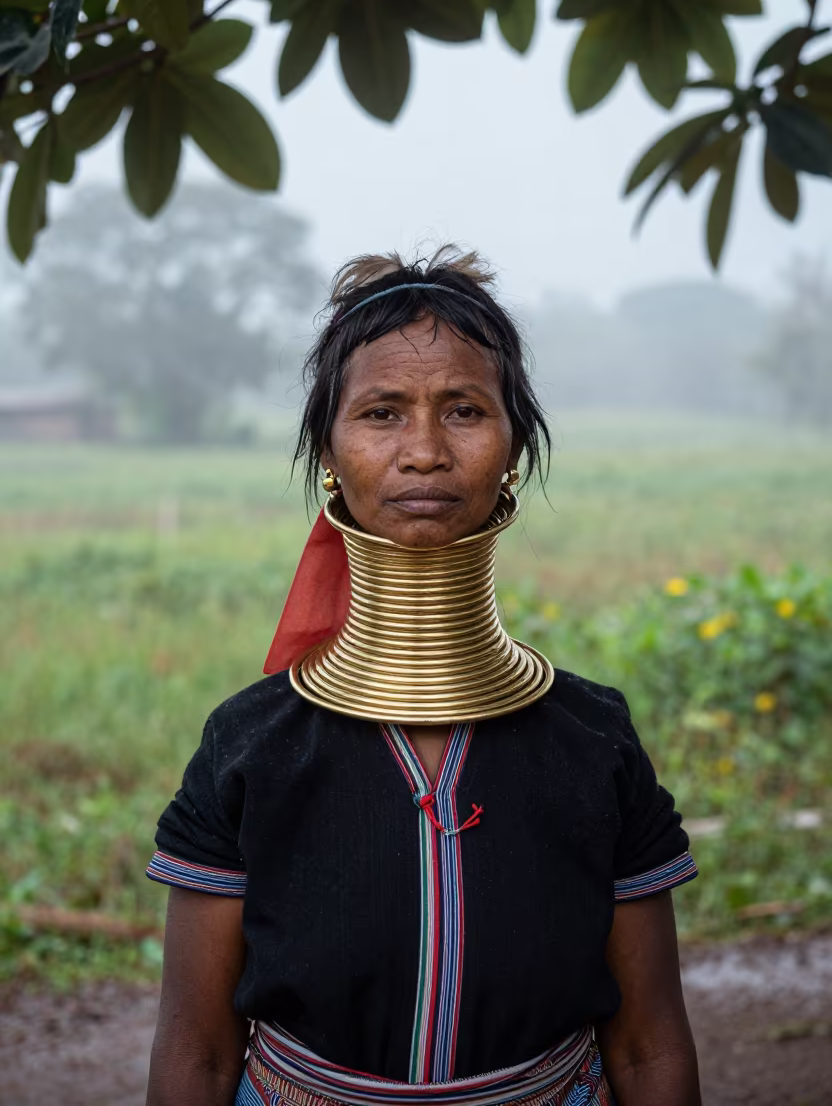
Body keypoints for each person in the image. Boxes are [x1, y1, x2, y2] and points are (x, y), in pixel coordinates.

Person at [145, 249, 701, 1106]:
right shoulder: (250, 746)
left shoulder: (593, 742)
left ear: (514, 447)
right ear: (329, 451)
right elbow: (199, 1055)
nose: (425, 452)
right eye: (382, 413)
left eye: (465, 410)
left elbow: (648, 1048)